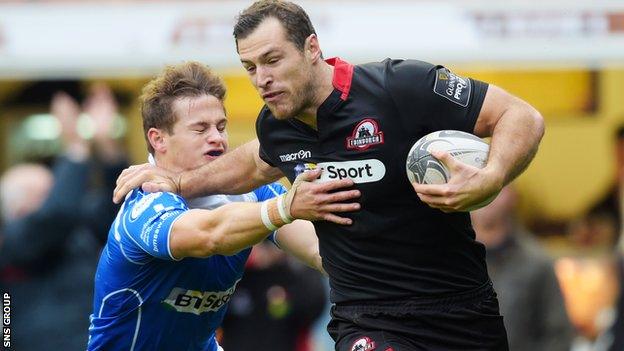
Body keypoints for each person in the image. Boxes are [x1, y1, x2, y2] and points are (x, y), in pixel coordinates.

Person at [113, 1, 545, 349]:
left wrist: (492, 176)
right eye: (250, 68)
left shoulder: (401, 87)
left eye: (272, 60)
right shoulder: (276, 126)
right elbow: (254, 162)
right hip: (367, 320)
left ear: (311, 48)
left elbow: (519, 115)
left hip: (463, 310)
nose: (261, 79)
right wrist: (178, 182)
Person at [87, 61, 359, 351]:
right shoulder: (145, 202)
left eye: (221, 126)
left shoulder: (250, 193)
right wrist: (285, 207)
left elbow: (320, 250)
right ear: (159, 139)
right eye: (200, 129)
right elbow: (209, 235)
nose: (216, 137)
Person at [0, 86, 128, 350]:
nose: (64, 192)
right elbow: (59, 212)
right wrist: (76, 146)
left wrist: (105, 143)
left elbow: (118, 210)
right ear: (21, 206)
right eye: (50, 191)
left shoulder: (74, 229)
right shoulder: (14, 240)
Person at [471, 186, 573, 351]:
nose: (485, 197)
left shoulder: (537, 262)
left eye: (494, 188)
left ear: (512, 196)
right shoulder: (448, 261)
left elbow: (558, 336)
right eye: (477, 187)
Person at [221, 240, 327, 351]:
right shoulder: (236, 277)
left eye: (270, 242)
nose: (264, 249)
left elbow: (314, 305)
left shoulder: (295, 277)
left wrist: (291, 255)